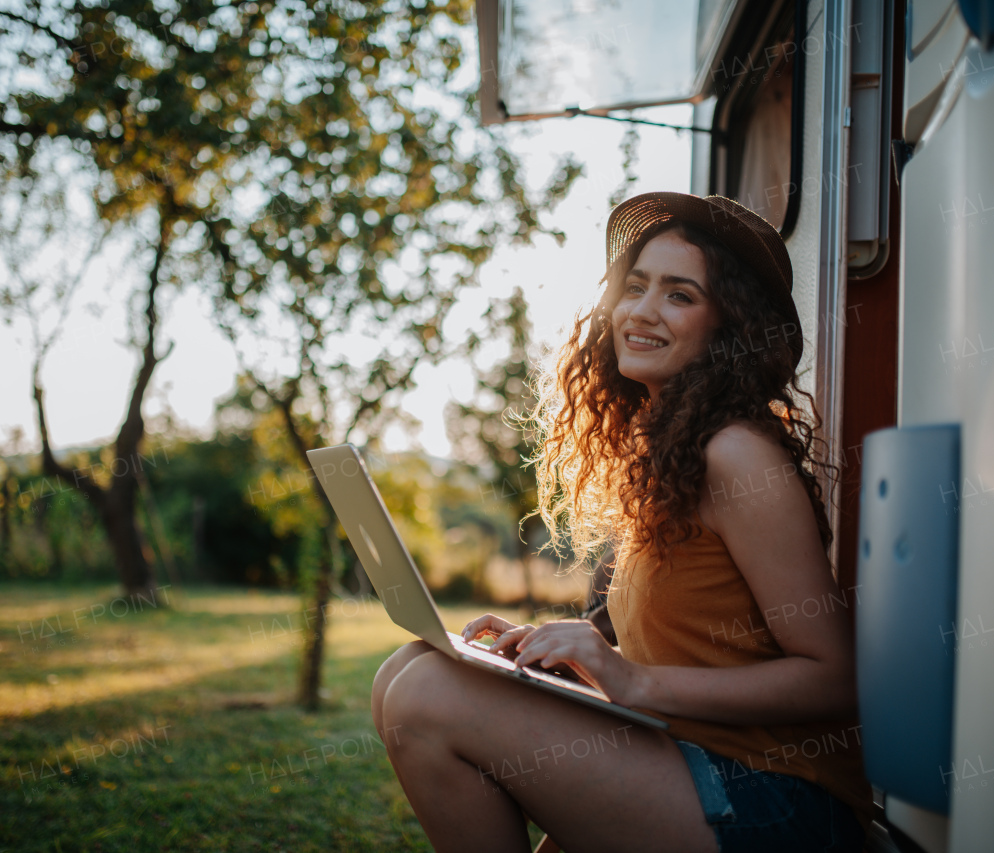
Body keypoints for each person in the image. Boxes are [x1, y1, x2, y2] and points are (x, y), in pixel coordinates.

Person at [370, 192, 872, 853]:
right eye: (635, 287)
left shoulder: (737, 453)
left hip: (780, 800)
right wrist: (559, 657)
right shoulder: (667, 454)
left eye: (679, 294)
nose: (640, 310)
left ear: (730, 325)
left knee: (427, 694)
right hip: (690, 760)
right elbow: (682, 646)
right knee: (406, 668)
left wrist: (632, 679)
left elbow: (832, 675)